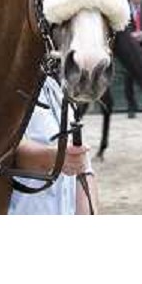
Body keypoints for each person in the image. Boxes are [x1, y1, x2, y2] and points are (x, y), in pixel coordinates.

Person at [9, 77, 98, 215]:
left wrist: (89, 212)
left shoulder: (56, 87)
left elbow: (84, 166)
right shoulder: (5, 86)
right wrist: (54, 158)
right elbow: (2, 152)